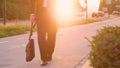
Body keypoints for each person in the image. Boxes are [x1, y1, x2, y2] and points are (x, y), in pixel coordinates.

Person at [30, 0, 57, 66]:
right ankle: (44, 58)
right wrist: (32, 13)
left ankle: (49, 53)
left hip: (52, 14)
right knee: (41, 37)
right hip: (41, 13)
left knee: (52, 35)